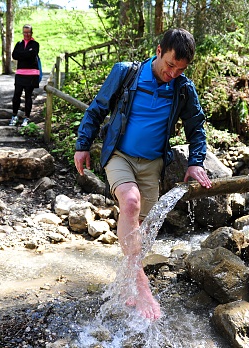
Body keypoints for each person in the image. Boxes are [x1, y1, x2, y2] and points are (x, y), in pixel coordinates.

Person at [74, 28, 212, 320]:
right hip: (120, 156)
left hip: (153, 165)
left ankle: (126, 283)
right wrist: (82, 145)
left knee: (142, 231)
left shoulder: (183, 88)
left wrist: (195, 162)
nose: (172, 73)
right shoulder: (126, 73)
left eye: (180, 69)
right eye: (170, 65)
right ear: (159, 51)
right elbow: (98, 109)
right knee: (131, 203)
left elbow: (196, 127)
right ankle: (140, 282)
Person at [9, 24, 40, 127]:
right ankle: (14, 116)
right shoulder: (19, 44)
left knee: (28, 96)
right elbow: (14, 55)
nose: (26, 34)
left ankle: (26, 118)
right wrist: (26, 54)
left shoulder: (35, 44)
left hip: (31, 75)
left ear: (31, 33)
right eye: (25, 32)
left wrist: (22, 54)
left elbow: (32, 55)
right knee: (16, 95)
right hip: (20, 74)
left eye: (28, 32)